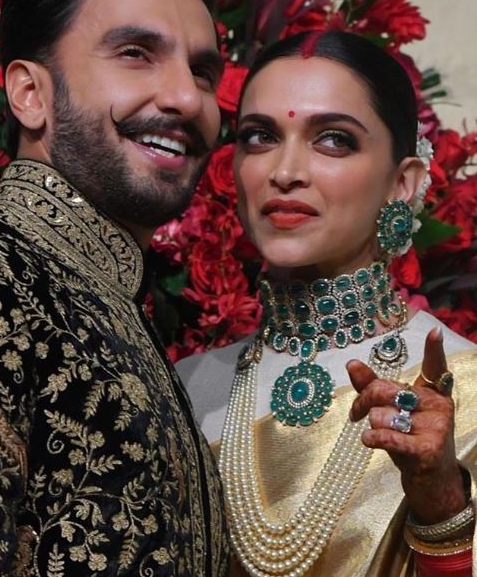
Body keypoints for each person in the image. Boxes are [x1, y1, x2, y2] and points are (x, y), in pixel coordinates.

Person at [176, 30, 476, 577]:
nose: (285, 170)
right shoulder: (188, 388)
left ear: (403, 184)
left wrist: (444, 511)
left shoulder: (466, 386)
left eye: (333, 139)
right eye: (260, 136)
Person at [0, 0, 230, 575]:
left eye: (201, 71)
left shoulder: (110, 301)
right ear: (29, 92)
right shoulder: (3, 275)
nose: (185, 97)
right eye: (134, 52)